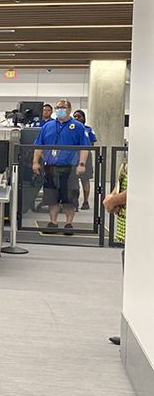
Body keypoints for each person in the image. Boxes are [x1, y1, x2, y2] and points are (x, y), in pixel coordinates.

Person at [32, 99, 90, 233]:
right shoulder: (47, 126)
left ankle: (69, 224)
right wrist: (35, 162)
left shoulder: (78, 127)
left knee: (69, 197)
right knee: (52, 197)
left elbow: (84, 147)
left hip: (70, 168)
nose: (59, 110)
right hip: (51, 167)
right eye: (57, 107)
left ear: (69, 110)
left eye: (62, 107)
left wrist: (81, 164)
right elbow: (38, 145)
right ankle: (53, 222)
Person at [103, 158, 128, 346]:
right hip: (129, 232)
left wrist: (115, 200)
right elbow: (123, 180)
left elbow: (142, 185)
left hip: (142, 232)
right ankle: (131, 330)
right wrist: (111, 199)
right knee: (131, 286)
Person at [72, 109, 98, 210]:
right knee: (73, 180)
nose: (77, 118)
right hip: (73, 156)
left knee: (85, 180)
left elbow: (92, 143)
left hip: (86, 157)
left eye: (79, 116)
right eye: (75, 116)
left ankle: (86, 201)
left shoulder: (88, 129)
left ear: (84, 118)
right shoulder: (71, 128)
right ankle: (74, 203)